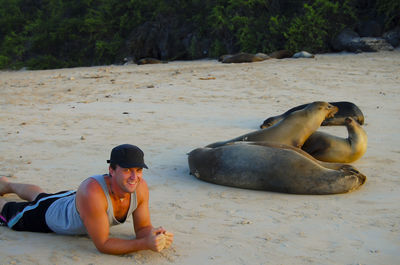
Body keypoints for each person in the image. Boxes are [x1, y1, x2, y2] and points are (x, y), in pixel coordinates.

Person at [0, 144, 173, 254]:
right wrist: (145, 244)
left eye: (139, 170)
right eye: (127, 170)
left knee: (42, 197)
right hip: (50, 216)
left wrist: (155, 235)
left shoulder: (140, 187)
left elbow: (142, 227)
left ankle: (7, 185)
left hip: (74, 201)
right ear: (111, 170)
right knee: (11, 212)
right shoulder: (93, 193)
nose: (134, 177)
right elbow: (103, 243)